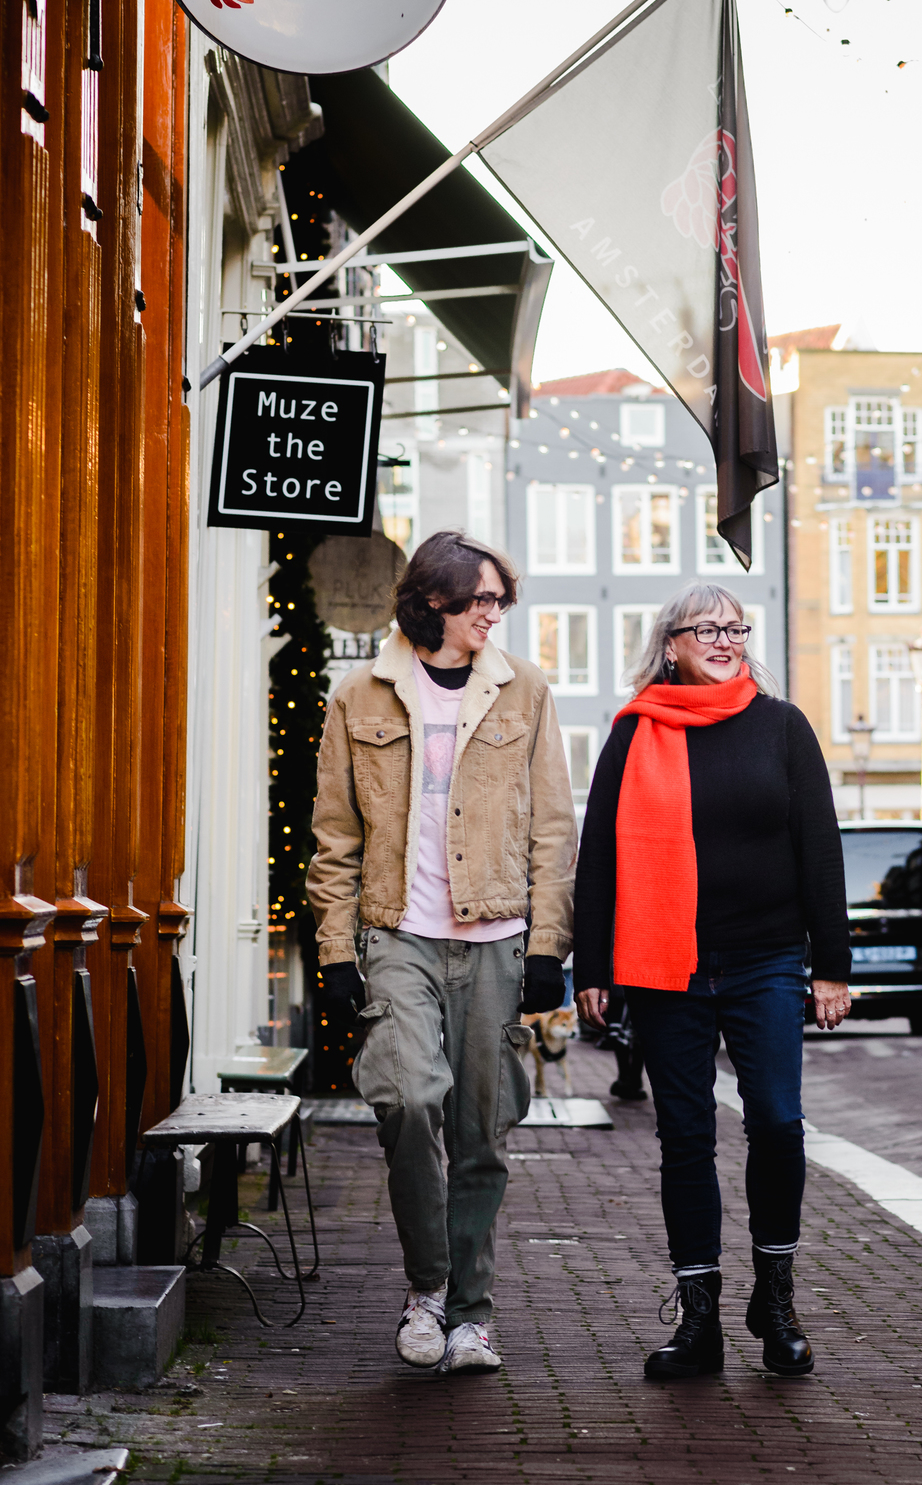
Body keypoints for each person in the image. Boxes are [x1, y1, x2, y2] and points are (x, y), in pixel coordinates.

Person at [306, 531, 576, 1372]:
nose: (494, 615)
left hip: (495, 939)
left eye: (500, 600)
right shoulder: (362, 695)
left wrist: (547, 944)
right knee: (410, 1100)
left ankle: (471, 1315)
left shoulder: (525, 691)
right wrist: (335, 952)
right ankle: (427, 1291)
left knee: (481, 1133)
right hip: (398, 933)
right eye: (480, 601)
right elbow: (335, 836)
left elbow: (552, 827)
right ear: (433, 602)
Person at [573, 582, 851, 1382]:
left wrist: (830, 964)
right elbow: (600, 857)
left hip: (765, 958)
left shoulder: (782, 726)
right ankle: (700, 1321)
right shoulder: (634, 735)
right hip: (667, 968)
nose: (726, 638)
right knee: (685, 1138)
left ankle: (776, 1298)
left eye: (736, 626)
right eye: (707, 627)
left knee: (777, 1122)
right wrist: (594, 966)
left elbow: (820, 848)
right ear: (672, 644)